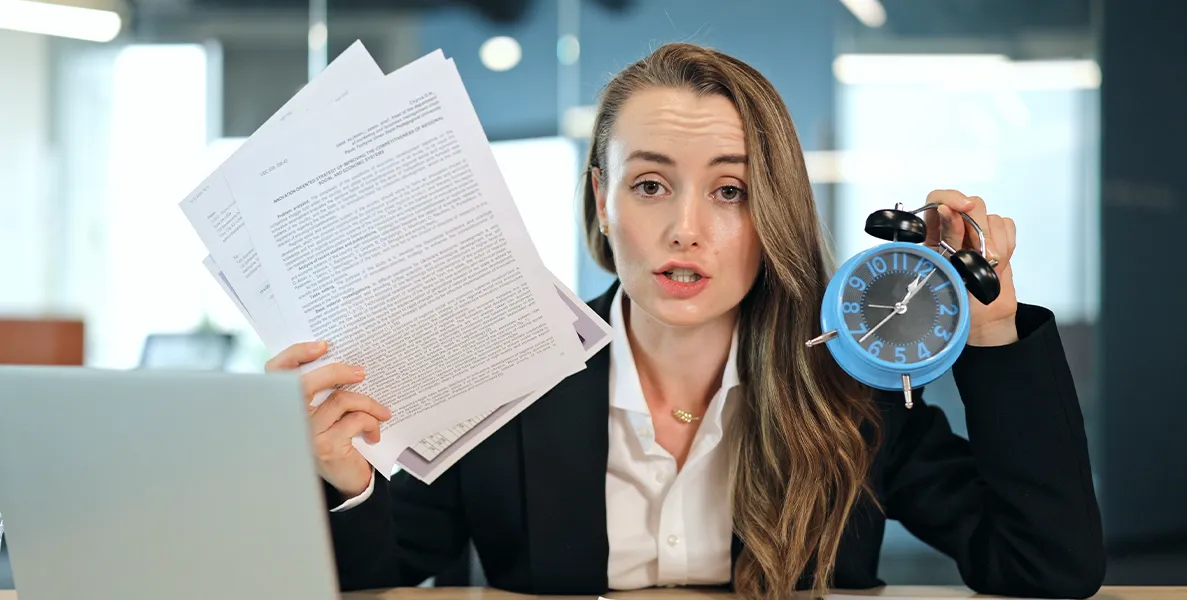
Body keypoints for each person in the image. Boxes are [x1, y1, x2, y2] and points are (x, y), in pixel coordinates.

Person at [266, 43, 1105, 600]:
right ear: (602, 198)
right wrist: (343, 479)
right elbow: (379, 575)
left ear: (772, 210)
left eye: (730, 191)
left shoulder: (852, 397)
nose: (686, 229)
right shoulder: (509, 377)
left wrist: (990, 331)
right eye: (650, 185)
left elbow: (1045, 567)